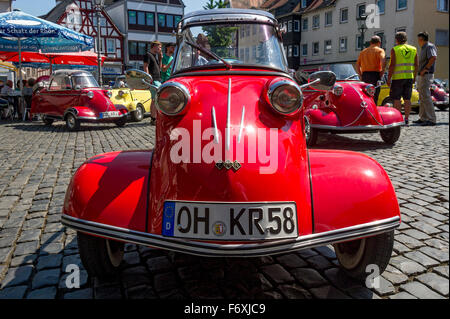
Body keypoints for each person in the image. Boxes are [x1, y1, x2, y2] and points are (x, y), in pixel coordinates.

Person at [387, 32, 418, 126]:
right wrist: (414, 77)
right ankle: (407, 119)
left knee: (397, 99)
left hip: (398, 78)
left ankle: (398, 119)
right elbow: (416, 65)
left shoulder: (395, 49)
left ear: (396, 40)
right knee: (407, 99)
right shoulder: (413, 49)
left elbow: (392, 65)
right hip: (409, 77)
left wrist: (389, 78)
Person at [414, 32, 438, 126]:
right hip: (422, 75)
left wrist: (425, 69)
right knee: (422, 96)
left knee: (426, 97)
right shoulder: (424, 47)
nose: (418, 41)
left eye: (418, 39)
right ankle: (423, 117)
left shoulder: (429, 46)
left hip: (426, 74)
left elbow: (433, 57)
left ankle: (431, 119)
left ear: (421, 39)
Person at [356, 35, 386, 103]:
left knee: (365, 95)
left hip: (365, 75)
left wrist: (360, 75)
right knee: (374, 95)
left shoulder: (363, 52)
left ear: (370, 42)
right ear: (379, 43)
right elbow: (383, 61)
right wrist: (382, 72)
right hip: (375, 75)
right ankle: (373, 110)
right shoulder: (380, 50)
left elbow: (357, 64)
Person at [144, 41, 163, 124]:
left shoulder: (155, 56)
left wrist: (160, 59)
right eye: (159, 47)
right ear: (154, 46)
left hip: (158, 79)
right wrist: (148, 79)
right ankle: (153, 118)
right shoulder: (148, 55)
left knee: (156, 99)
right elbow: (145, 67)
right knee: (155, 99)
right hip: (153, 80)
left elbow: (160, 68)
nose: (160, 49)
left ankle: (155, 117)